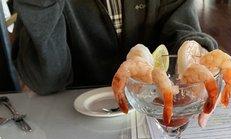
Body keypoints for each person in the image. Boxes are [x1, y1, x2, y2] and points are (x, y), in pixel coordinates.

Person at [12, 0, 217, 95]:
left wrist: (194, 50)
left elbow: (182, 29)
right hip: (75, 115)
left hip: (153, 108)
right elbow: (46, 81)